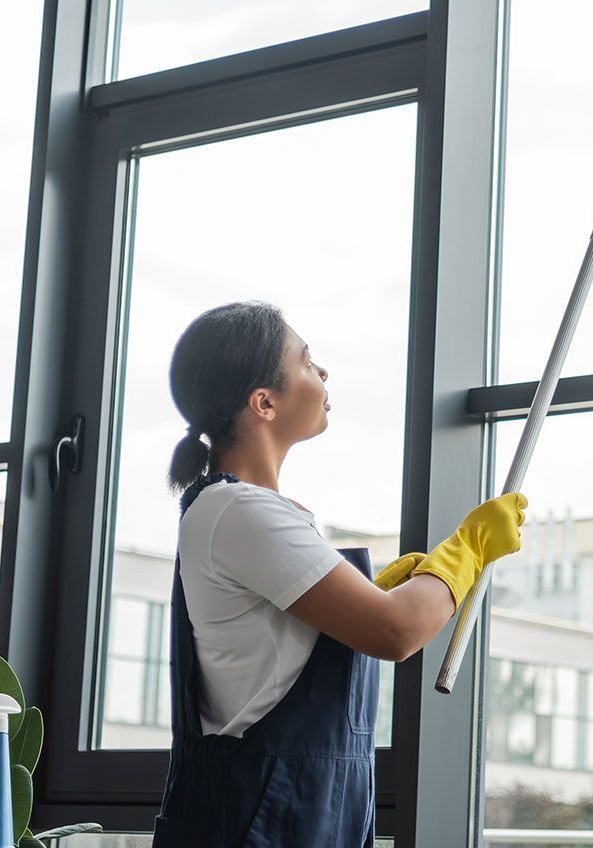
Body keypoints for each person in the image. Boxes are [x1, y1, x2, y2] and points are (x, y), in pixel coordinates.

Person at [152, 300, 526, 847]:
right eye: (306, 362)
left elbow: (280, 657)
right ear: (263, 402)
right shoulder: (239, 511)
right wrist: (469, 547)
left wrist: (374, 596)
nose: (322, 372)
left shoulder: (247, 513)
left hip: (304, 821)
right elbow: (396, 631)